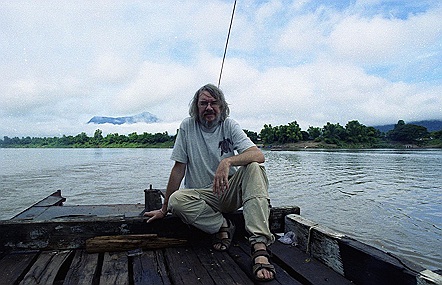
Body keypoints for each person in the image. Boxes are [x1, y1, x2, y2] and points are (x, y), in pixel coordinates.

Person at [144, 83, 276, 281]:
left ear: (221, 107)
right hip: (202, 197)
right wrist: (164, 209)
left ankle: (259, 246)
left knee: (255, 167)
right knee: (176, 200)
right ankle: (221, 224)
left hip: (229, 191)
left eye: (214, 103)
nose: (209, 108)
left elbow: (258, 154)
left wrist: (228, 161)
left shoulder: (229, 125)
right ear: (196, 108)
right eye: (203, 103)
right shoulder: (187, 127)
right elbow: (178, 169)